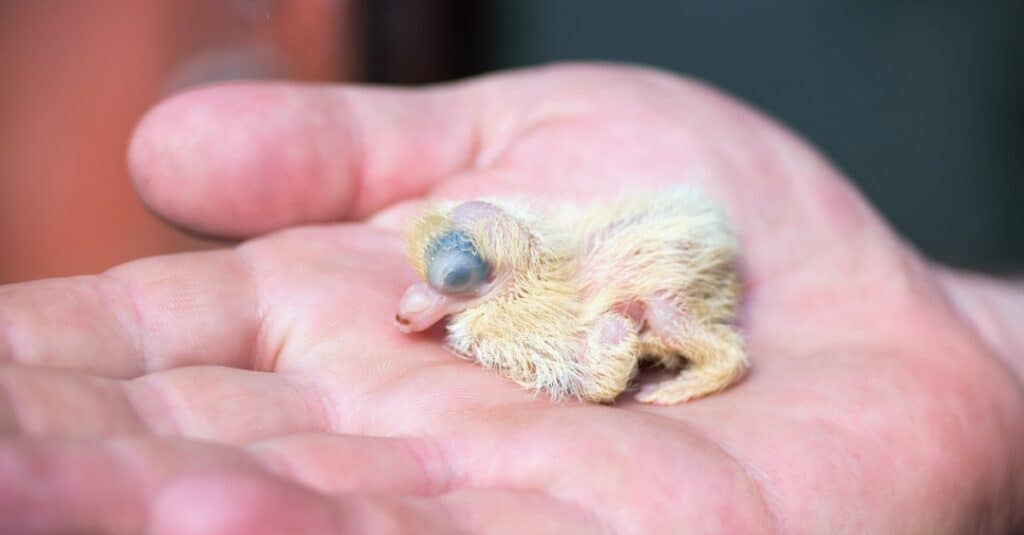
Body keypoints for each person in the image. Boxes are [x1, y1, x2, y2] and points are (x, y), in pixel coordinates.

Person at [1, 63, 1021, 534]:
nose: (426, 305)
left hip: (642, 271)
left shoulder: (550, 312)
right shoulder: (497, 274)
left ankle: (713, 355)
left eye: (453, 285)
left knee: (651, 311)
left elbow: (599, 354)